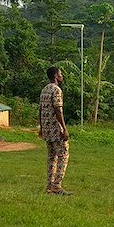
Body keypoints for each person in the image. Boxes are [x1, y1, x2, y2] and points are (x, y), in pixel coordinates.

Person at [39, 66, 71, 196]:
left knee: (52, 157)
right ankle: (57, 186)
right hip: (56, 129)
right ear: (56, 76)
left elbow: (40, 110)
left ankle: (49, 186)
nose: (62, 75)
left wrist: (41, 128)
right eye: (60, 74)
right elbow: (58, 110)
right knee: (63, 156)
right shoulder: (57, 90)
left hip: (47, 129)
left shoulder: (44, 89)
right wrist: (64, 128)